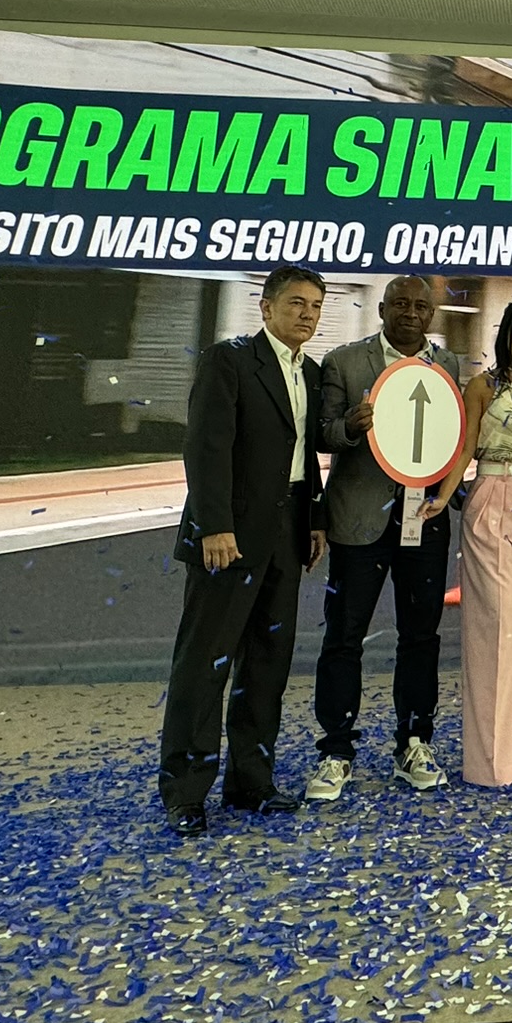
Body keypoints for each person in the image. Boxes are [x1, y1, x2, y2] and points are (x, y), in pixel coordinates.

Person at [159, 265, 329, 836]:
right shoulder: (228, 361)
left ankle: (251, 783)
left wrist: (315, 521)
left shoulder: (311, 373)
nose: (307, 314)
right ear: (266, 306)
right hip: (228, 537)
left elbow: (304, 457)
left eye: (315, 306)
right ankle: (185, 792)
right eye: (297, 303)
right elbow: (206, 447)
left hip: (287, 534)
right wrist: (214, 525)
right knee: (204, 663)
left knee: (266, 665)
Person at [306, 275, 462, 800]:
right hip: (359, 521)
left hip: (425, 519)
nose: (411, 313)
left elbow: (452, 439)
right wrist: (350, 427)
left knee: (421, 635)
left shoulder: (447, 366)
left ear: (432, 314)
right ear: (382, 308)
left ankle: (414, 742)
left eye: (421, 305)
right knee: (344, 636)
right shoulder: (345, 362)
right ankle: (335, 751)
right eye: (400, 304)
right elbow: (322, 434)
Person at [432, 298, 512, 786]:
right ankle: (492, 759)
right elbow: (465, 448)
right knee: (494, 629)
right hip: (491, 493)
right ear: (505, 333)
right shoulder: (482, 386)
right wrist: (442, 497)